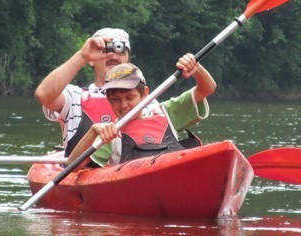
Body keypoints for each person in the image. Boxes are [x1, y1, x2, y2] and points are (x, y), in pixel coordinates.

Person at [67, 54, 216, 168]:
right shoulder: (112, 133)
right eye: (115, 99)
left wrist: (197, 69)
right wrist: (93, 131)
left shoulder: (167, 112)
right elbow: (72, 166)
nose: (123, 105)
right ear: (108, 99)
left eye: (129, 97)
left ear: (145, 94)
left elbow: (207, 88)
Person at [34, 28, 133, 163]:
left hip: (129, 169)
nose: (114, 57)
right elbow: (43, 95)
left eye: (120, 51)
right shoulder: (74, 96)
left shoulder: (146, 102)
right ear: (92, 60)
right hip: (79, 172)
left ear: (128, 60)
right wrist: (83, 56)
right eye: (107, 51)